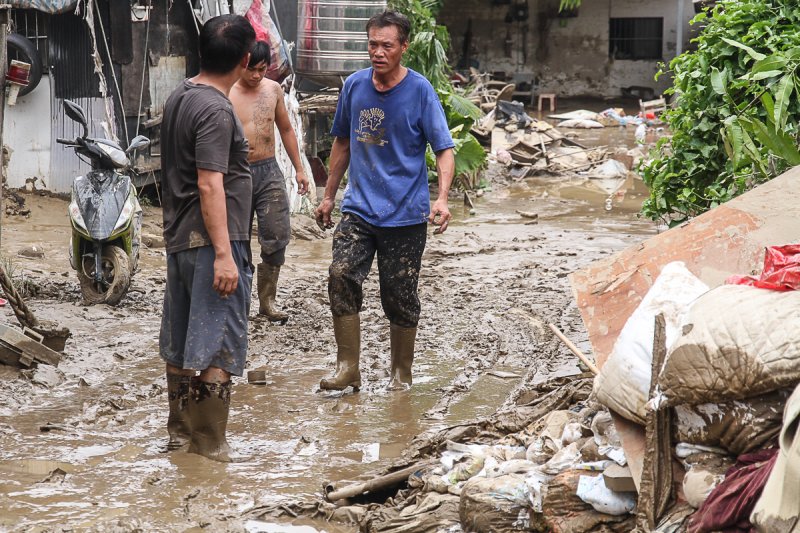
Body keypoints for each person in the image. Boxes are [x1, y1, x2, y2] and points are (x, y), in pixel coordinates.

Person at [314, 10, 455, 392]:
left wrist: (441, 198)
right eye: (372, 44)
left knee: (399, 295)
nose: (378, 52)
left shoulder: (420, 91)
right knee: (340, 276)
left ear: (403, 47)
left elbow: (444, 149)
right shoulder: (355, 86)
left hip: (406, 214)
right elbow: (342, 142)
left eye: (386, 45)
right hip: (359, 208)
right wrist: (328, 196)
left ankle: (401, 374)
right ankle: (348, 367)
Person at [159, 14, 255, 462]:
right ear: (244, 59)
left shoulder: (181, 95)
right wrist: (223, 254)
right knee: (218, 344)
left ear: (201, 52)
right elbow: (209, 183)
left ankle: (180, 437)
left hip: (180, 239)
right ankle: (211, 448)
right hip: (214, 240)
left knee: (180, 344)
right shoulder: (216, 109)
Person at [230, 41, 309, 322]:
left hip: (268, 169)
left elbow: (286, 129)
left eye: (262, 70)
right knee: (235, 239)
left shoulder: (273, 89)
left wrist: (300, 169)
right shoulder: (226, 91)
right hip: (235, 172)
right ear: (241, 64)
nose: (256, 76)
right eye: (252, 70)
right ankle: (239, 303)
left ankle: (267, 301)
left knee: (277, 234)